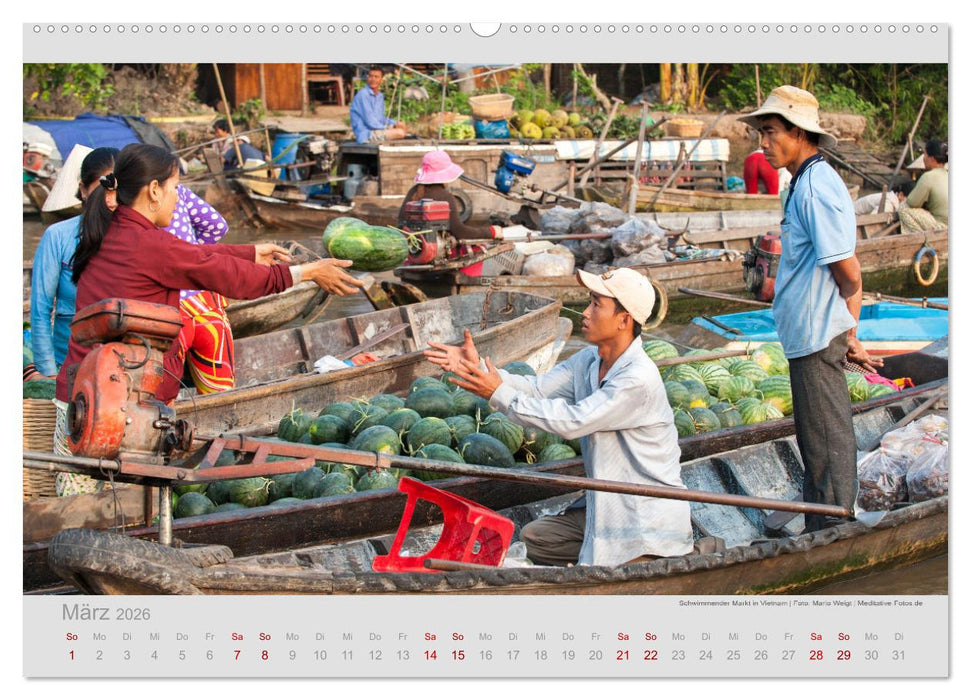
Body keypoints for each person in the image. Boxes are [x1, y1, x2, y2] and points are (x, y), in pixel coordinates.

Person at [53, 143, 364, 494]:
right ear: (154, 191)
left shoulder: (114, 230)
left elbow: (194, 255)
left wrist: (250, 252)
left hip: (77, 396)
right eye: (174, 188)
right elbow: (225, 275)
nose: (177, 198)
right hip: (114, 409)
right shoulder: (149, 245)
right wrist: (303, 272)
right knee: (120, 515)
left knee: (78, 510)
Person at [424, 267, 694, 567]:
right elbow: (537, 390)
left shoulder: (637, 379)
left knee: (608, 572)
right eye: (589, 302)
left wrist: (496, 392)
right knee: (536, 538)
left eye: (596, 304)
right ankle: (594, 561)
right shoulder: (590, 360)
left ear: (623, 320)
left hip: (645, 517)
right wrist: (480, 371)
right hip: (604, 504)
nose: (585, 312)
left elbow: (572, 422)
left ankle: (642, 559)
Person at [740, 85, 884, 531]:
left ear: (799, 132)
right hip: (812, 332)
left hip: (819, 333)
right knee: (818, 440)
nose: (763, 143)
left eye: (770, 131)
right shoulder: (801, 182)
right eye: (761, 133)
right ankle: (825, 518)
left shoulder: (817, 187)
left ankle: (834, 529)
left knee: (826, 440)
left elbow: (849, 272)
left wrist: (847, 329)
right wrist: (848, 331)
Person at [29, 146, 119, 381]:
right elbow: (40, 309)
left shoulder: (136, 237)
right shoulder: (58, 236)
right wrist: (48, 372)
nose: (109, 199)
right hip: (67, 363)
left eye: (117, 191)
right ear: (83, 190)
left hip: (123, 365)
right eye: (102, 190)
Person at [398, 151, 533, 274]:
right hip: (435, 256)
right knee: (479, 248)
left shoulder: (414, 191)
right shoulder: (445, 197)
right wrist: (492, 231)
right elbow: (461, 232)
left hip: (414, 253)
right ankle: (466, 282)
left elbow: (401, 224)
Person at [163, 184, 239, 394]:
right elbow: (218, 226)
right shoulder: (178, 191)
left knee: (161, 400)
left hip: (167, 314)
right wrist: (195, 254)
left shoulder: (129, 206)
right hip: (207, 309)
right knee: (221, 396)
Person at [349, 65, 407, 144]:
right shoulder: (363, 95)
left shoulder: (379, 96)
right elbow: (370, 122)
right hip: (366, 134)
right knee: (400, 132)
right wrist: (387, 128)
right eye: (371, 76)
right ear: (367, 78)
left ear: (381, 80)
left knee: (401, 125)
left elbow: (380, 118)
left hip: (376, 129)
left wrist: (394, 123)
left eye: (376, 77)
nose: (373, 79)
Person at [904, 138, 948, 225]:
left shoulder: (928, 176)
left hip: (942, 225)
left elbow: (912, 203)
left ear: (931, 159)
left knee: (903, 208)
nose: (923, 158)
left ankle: (914, 235)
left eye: (925, 154)